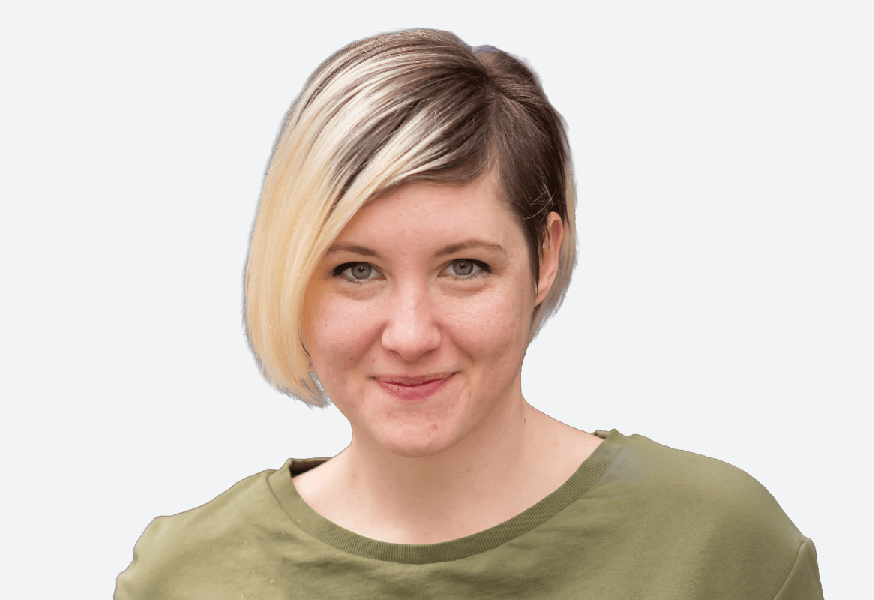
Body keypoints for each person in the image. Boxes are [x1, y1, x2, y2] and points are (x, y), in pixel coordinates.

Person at [115, 28, 824, 599]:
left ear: (545, 256)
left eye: (465, 268)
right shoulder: (183, 579)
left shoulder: (723, 550)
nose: (411, 335)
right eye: (356, 270)